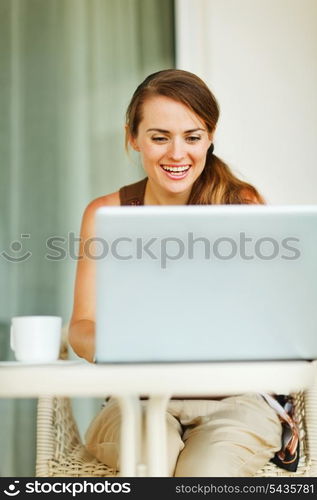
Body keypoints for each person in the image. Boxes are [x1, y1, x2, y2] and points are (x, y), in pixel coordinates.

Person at [69, 69, 292, 477]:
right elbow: (81, 327)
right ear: (132, 137)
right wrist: (125, 346)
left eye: (192, 137)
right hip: (134, 400)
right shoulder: (106, 215)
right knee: (153, 462)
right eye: (159, 137)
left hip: (236, 402)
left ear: (209, 137)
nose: (177, 154)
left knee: (204, 475)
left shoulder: (242, 206)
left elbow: (277, 321)